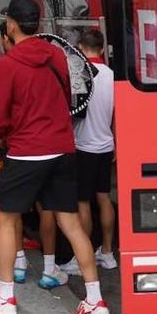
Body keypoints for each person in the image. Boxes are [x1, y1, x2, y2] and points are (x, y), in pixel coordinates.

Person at [0, 0, 111, 314]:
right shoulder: (56, 55)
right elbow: (66, 97)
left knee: (6, 217)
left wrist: (3, 129)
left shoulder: (7, 65)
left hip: (27, 151)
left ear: (11, 25)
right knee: (71, 222)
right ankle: (94, 302)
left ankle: (5, 297)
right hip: (63, 147)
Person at [58, 29, 117, 275]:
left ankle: (86, 252)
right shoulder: (113, 75)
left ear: (81, 48)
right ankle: (107, 252)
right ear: (102, 49)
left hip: (83, 145)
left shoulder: (80, 74)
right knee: (103, 198)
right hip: (106, 144)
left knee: (83, 201)